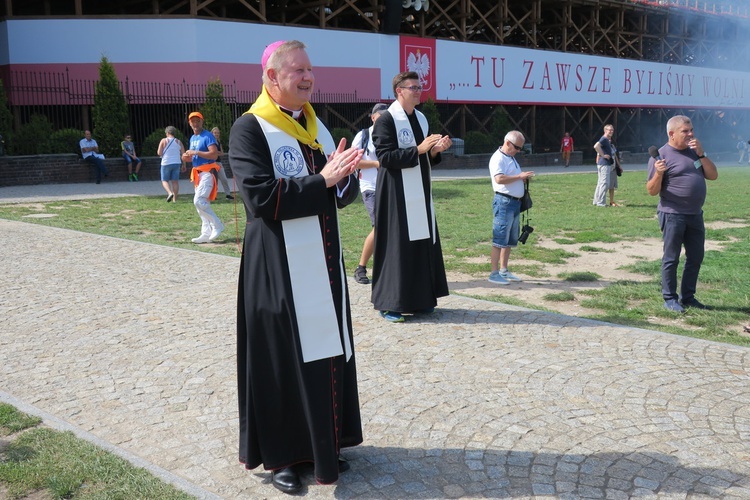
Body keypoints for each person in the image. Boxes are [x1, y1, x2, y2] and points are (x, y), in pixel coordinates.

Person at [228, 40, 364, 494]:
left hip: (323, 263)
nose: (308, 77)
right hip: (275, 265)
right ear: (271, 77)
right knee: (280, 358)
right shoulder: (250, 129)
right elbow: (261, 198)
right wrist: (324, 179)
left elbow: (331, 195)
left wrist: (344, 177)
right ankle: (282, 458)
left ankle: (326, 446)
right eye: (297, 70)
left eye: (310, 70)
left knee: (325, 352)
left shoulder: (316, 127)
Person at [371, 71, 452, 323]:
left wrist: (435, 151)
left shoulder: (421, 118)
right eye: (413, 87)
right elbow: (384, 158)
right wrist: (419, 149)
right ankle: (390, 303)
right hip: (395, 193)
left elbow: (424, 159)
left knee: (420, 244)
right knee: (397, 246)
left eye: (420, 86)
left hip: (419, 189)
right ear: (399, 91)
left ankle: (420, 300)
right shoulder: (386, 120)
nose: (418, 91)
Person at [647, 114, 718, 313]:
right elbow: (652, 191)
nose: (691, 134)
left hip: (695, 214)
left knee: (695, 257)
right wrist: (659, 173)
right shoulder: (660, 156)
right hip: (672, 214)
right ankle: (670, 298)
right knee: (672, 258)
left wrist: (702, 155)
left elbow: (713, 175)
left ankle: (688, 297)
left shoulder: (694, 152)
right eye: (685, 131)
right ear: (671, 134)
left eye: (691, 130)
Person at [488, 131, 535, 285]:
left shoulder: (510, 158)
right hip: (504, 202)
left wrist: (522, 178)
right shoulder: (498, 158)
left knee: (508, 240)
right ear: (507, 142)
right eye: (517, 147)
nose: (518, 151)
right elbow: (499, 179)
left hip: (514, 203)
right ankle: (494, 273)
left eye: (520, 148)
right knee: (499, 238)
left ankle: (504, 270)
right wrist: (520, 177)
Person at [352, 102, 388, 285]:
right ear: (373, 117)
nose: (383, 119)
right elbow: (354, 162)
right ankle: (361, 268)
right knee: (379, 226)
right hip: (370, 187)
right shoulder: (363, 135)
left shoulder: (391, 134)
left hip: (389, 187)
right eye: (380, 116)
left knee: (389, 227)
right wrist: (376, 164)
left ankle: (387, 268)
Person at [182, 111, 224, 243]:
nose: (195, 123)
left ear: (202, 121)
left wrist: (196, 152)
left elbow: (214, 155)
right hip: (198, 173)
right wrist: (186, 157)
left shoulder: (208, 136)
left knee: (199, 201)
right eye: (193, 121)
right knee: (201, 205)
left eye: (197, 121)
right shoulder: (193, 138)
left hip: (208, 172)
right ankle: (206, 233)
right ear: (189, 123)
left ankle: (217, 224)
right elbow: (194, 157)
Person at [157, 126, 186, 202]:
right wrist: (184, 165)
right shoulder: (179, 142)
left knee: (164, 180)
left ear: (167, 133)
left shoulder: (164, 140)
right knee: (175, 181)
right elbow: (183, 154)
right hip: (177, 163)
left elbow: (159, 153)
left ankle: (169, 193)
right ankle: (175, 199)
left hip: (166, 163)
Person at [592, 124, 615, 207]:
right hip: (604, 163)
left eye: (612, 130)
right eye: (609, 130)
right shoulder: (604, 139)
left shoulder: (606, 140)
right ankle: (601, 203)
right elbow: (596, 146)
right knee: (605, 183)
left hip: (603, 164)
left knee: (600, 183)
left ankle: (596, 201)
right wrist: (603, 155)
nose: (611, 131)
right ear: (605, 131)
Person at [211, 127, 234, 200]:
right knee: (214, 180)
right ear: (212, 133)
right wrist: (217, 153)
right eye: (215, 133)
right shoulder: (211, 142)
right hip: (212, 162)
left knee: (224, 179)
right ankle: (214, 195)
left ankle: (228, 194)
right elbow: (213, 152)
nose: (217, 134)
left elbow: (222, 153)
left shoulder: (218, 142)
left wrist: (217, 153)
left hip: (218, 162)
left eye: (218, 133)